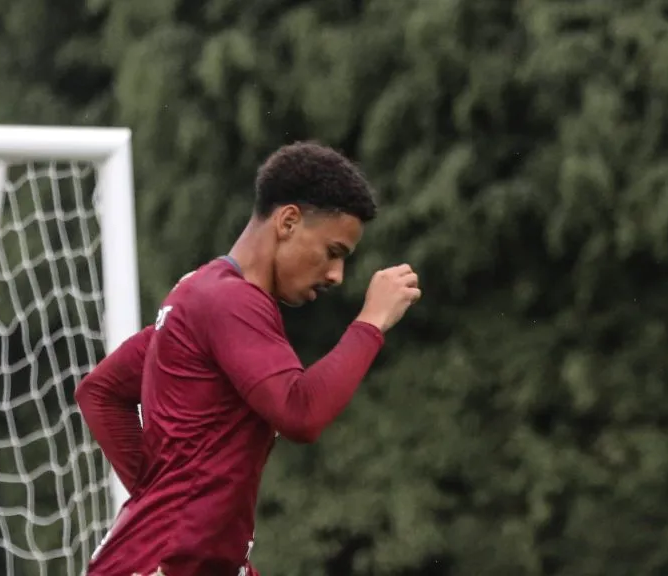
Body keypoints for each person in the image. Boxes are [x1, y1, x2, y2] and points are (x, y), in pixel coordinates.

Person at [75, 142, 420, 576]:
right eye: (333, 253)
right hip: (160, 564)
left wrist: (167, 501)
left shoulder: (202, 294)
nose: (336, 275)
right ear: (288, 221)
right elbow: (300, 413)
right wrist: (370, 323)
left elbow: (100, 392)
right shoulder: (230, 301)